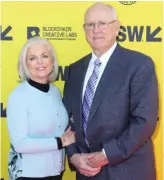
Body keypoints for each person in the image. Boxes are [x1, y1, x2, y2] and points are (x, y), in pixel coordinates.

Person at [63, 2, 158, 180]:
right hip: (86, 172)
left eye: (102, 23)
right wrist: (74, 156)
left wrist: (106, 155)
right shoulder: (74, 70)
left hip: (127, 172)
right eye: (90, 25)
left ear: (117, 27)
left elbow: (144, 122)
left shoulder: (139, 65)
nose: (96, 29)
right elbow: (67, 120)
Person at [6, 36, 75, 180]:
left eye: (44, 56)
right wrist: (60, 142)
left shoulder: (55, 91)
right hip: (28, 175)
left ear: (52, 61)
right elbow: (20, 144)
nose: (39, 62)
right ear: (25, 64)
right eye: (32, 58)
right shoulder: (18, 96)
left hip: (55, 172)